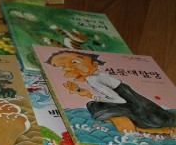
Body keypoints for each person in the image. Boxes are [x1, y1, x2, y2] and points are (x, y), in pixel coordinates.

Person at [46, 50, 176, 134]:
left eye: (74, 62)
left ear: (94, 64)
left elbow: (119, 100)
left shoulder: (92, 79)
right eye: (63, 66)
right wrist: (84, 92)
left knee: (93, 105)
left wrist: (94, 97)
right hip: (137, 100)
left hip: (134, 106)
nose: (68, 68)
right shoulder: (96, 75)